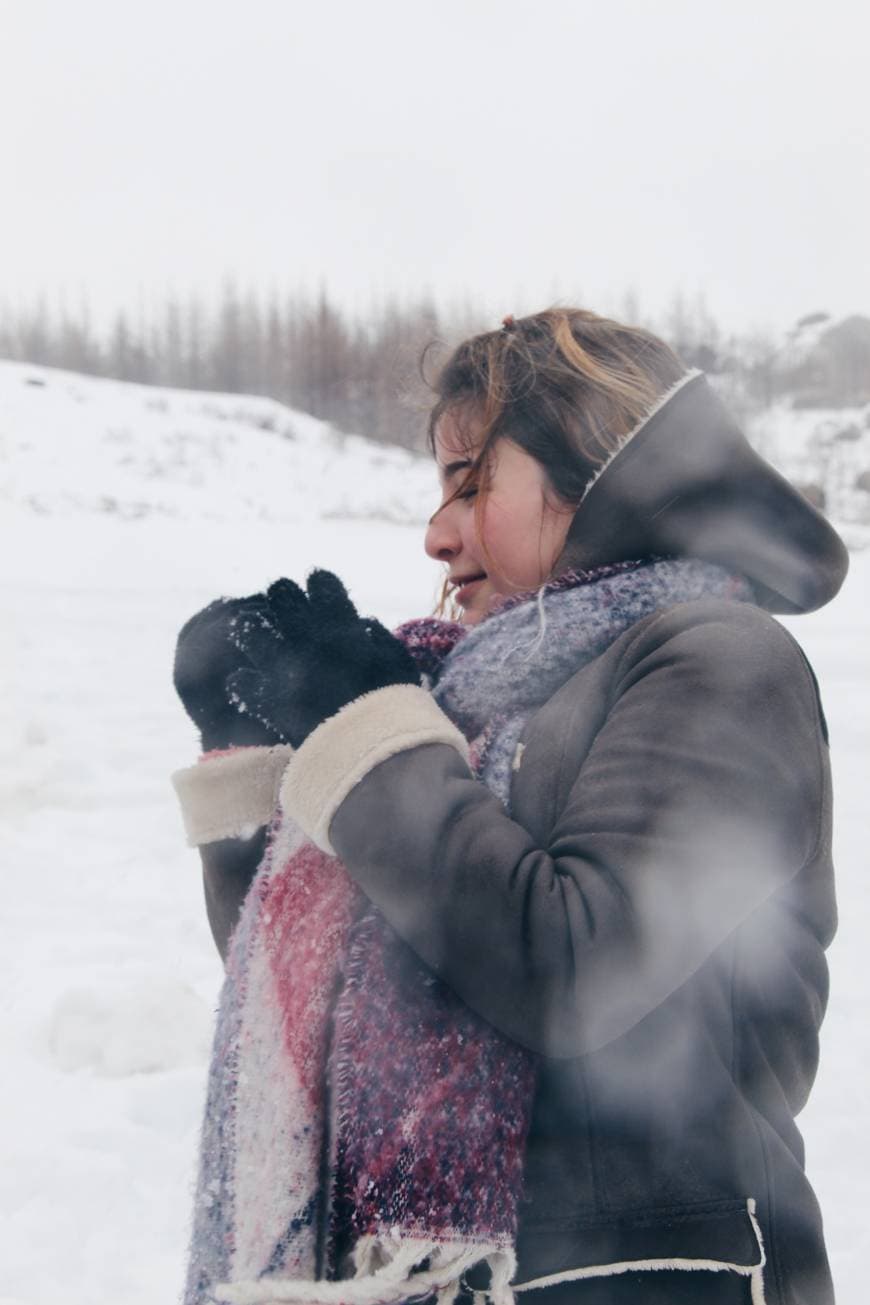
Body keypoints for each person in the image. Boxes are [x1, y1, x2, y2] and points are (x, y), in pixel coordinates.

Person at [172, 308, 847, 1305]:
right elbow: (314, 1008)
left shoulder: (718, 658)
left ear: (597, 468)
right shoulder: (466, 698)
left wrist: (371, 730)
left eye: (471, 483)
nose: (438, 535)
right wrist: (257, 764)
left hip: (658, 1276)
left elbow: (575, 969)